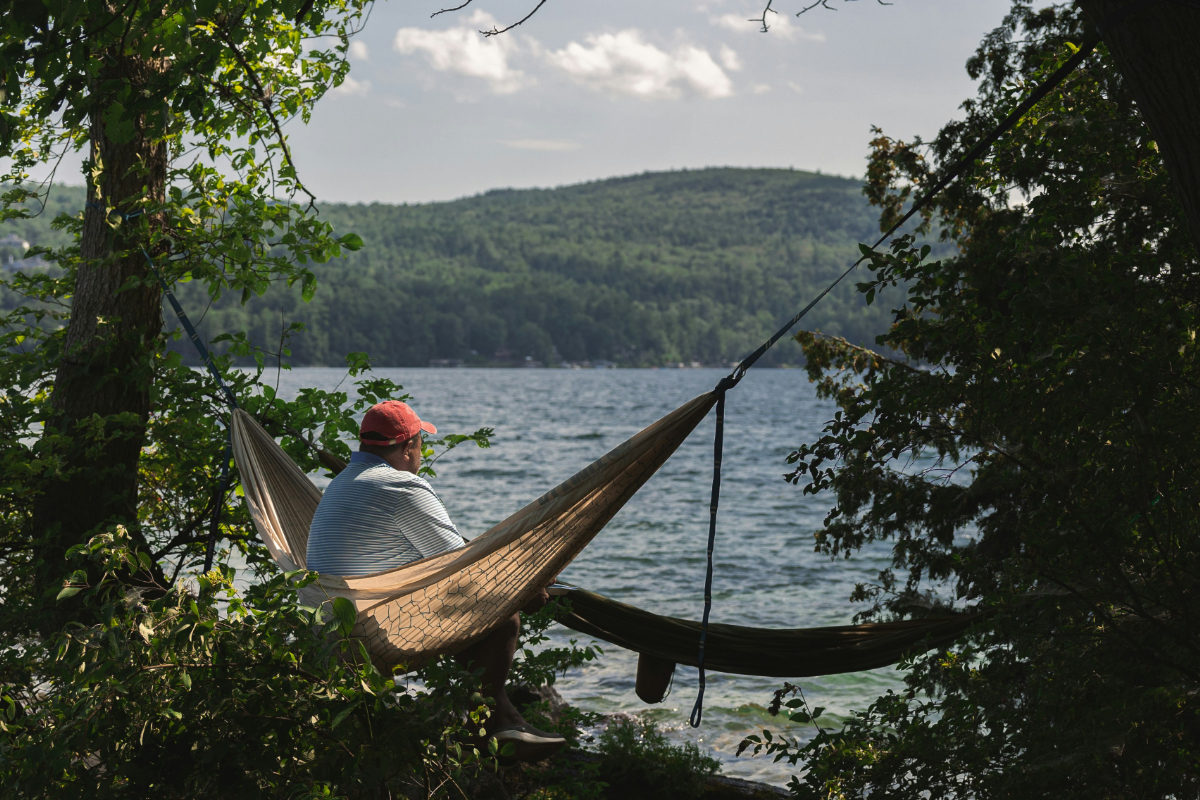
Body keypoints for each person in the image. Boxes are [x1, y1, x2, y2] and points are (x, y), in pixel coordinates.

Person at [307, 399, 564, 761]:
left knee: (461, 613)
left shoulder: (340, 484)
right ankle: (482, 731)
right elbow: (465, 569)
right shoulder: (402, 487)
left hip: (328, 631)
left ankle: (504, 719)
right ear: (409, 447)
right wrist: (523, 588)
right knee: (503, 617)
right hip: (368, 636)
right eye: (421, 443)